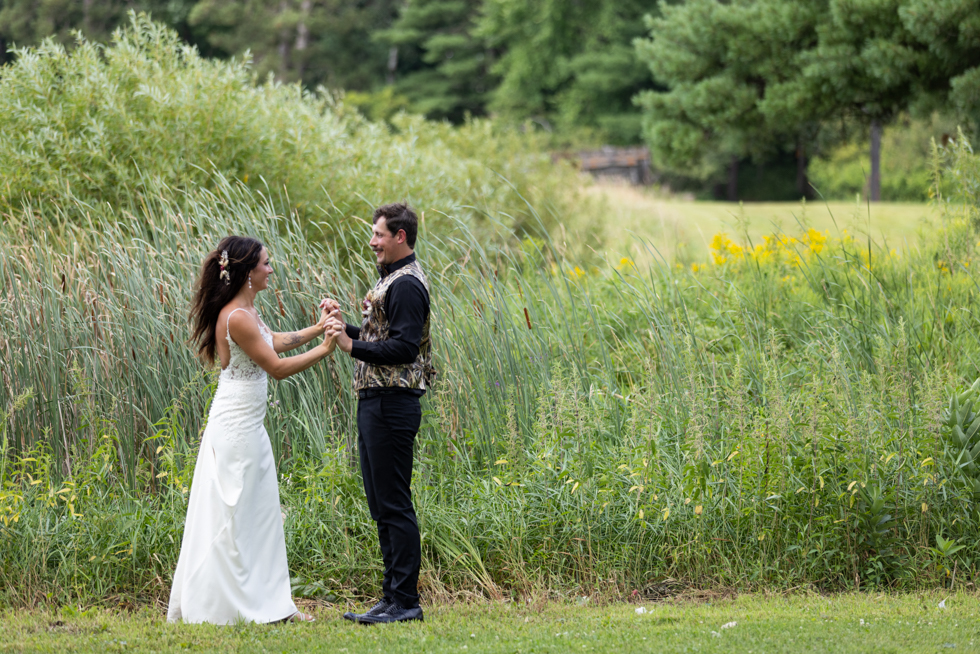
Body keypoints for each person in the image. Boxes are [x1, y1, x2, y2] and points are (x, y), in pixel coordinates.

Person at [168, 235, 337, 625]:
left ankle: (267, 603)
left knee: (256, 514)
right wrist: (326, 349)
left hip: (248, 425)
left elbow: (272, 342)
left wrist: (317, 328)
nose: (270, 270)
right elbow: (275, 367)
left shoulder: (247, 311)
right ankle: (232, 606)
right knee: (237, 515)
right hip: (237, 427)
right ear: (247, 272)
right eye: (265, 263)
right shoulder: (238, 317)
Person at [323, 203, 434, 624]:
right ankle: (391, 598)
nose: (372, 242)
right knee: (381, 503)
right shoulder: (391, 279)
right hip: (376, 400)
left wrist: (351, 346)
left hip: (393, 402)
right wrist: (343, 327)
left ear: (400, 236)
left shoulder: (407, 285)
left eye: (379, 234)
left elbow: (405, 347)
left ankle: (405, 602)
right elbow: (381, 337)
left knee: (394, 502)